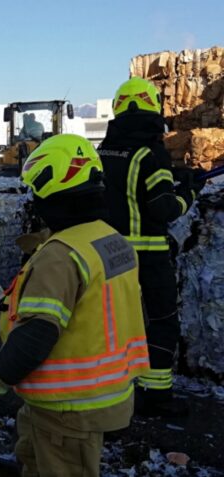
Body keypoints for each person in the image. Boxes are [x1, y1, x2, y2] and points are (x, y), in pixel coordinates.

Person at [0, 134, 149, 477]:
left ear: (53, 192)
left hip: (66, 406)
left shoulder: (61, 256)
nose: (33, 201)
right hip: (104, 394)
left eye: (36, 192)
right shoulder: (111, 240)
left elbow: (34, 338)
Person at [98, 77, 204, 417]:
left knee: (114, 323)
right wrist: (188, 192)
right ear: (151, 109)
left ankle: (113, 385)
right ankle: (156, 394)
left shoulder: (102, 152)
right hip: (147, 254)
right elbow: (163, 208)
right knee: (161, 321)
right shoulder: (150, 154)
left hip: (106, 254)